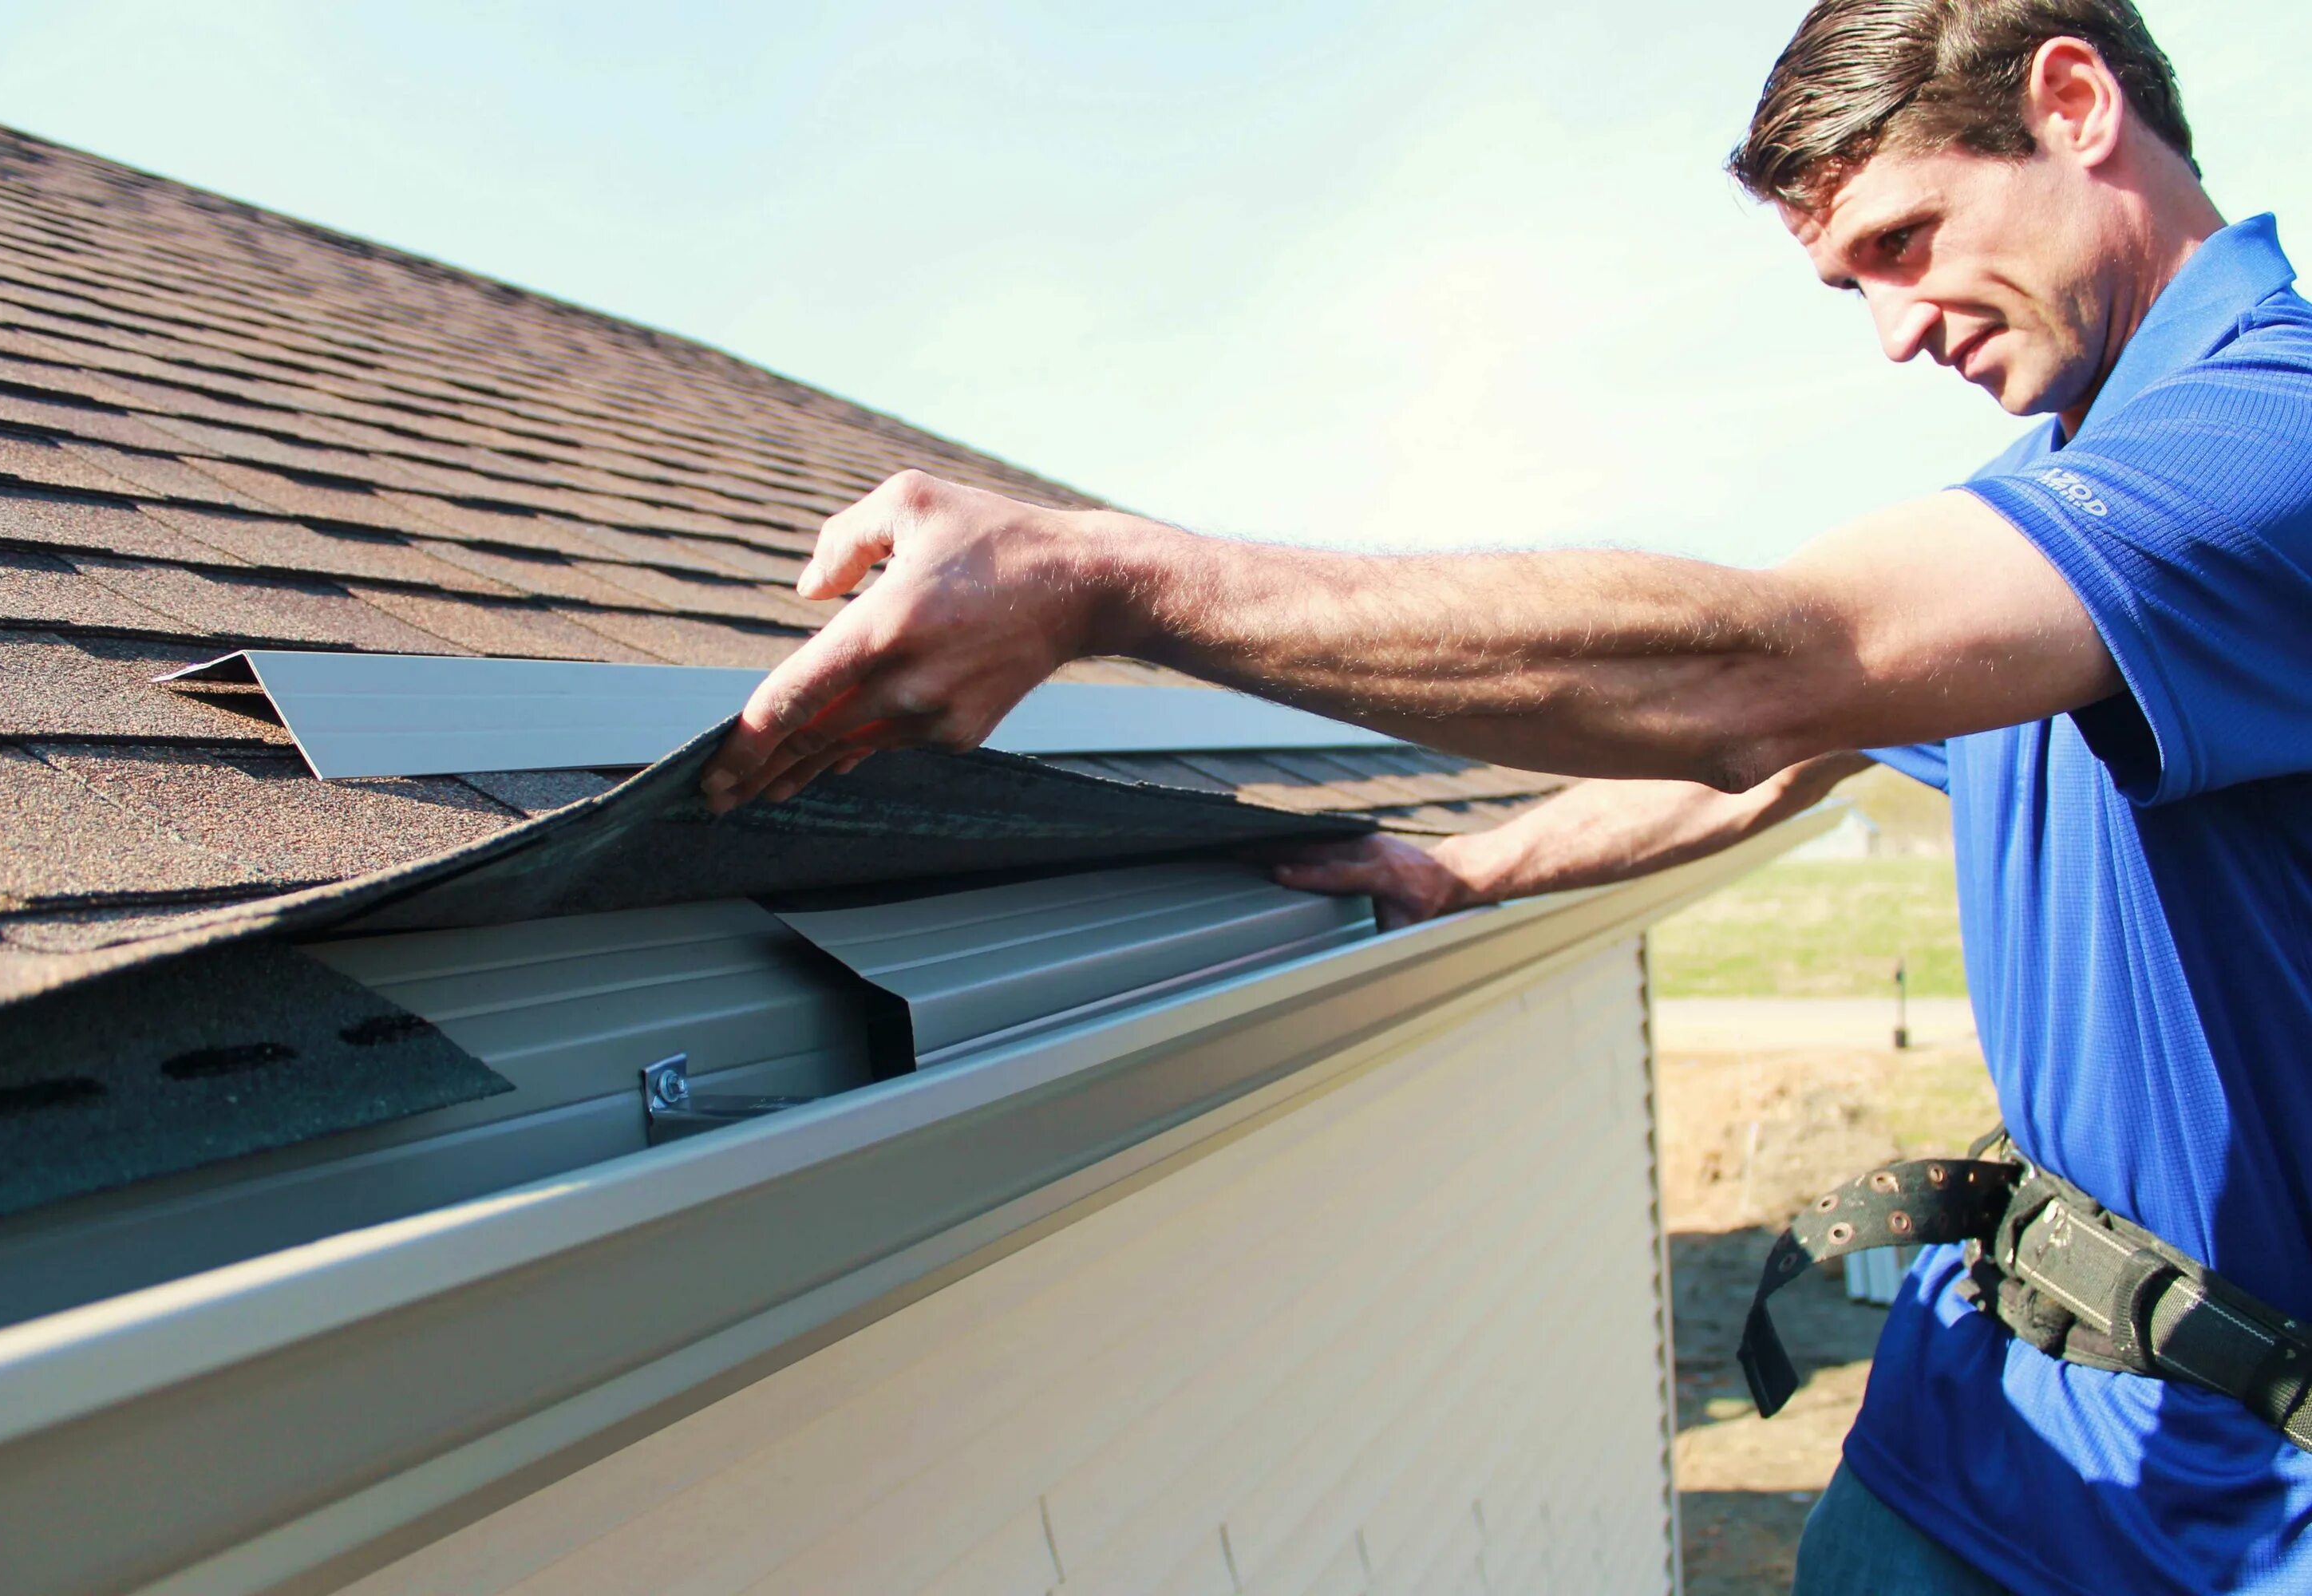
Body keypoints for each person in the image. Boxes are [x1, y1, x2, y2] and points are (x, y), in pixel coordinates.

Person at [704, 2, 2312, 1588]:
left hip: (2224, 1501)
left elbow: (1777, 676)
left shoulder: (2270, 440)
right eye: (1851, 285)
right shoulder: (2063, 495)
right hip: (1984, 1427)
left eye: (1903, 242)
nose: (1894, 333)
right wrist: (1475, 869)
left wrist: (1106, 582)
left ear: (2078, 103)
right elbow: (1769, 767)